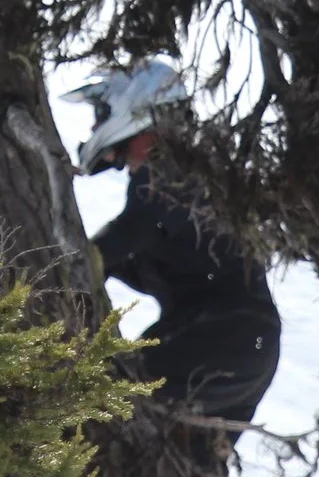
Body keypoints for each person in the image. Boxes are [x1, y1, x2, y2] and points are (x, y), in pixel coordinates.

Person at [66, 60, 281, 427]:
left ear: (135, 109)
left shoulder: (166, 173)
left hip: (223, 334)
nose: (95, 129)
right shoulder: (191, 178)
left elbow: (115, 245)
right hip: (249, 348)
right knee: (169, 457)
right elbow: (131, 256)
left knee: (106, 402)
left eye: (101, 115)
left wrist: (57, 268)